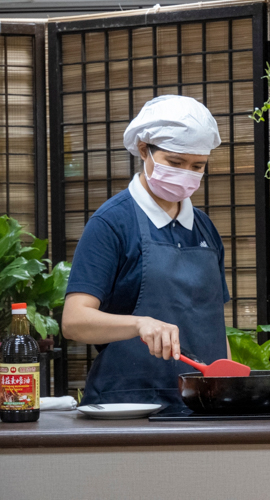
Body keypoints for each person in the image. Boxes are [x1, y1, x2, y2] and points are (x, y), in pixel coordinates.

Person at [62, 95, 230, 406]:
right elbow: (74, 321)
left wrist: (231, 386)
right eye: (175, 162)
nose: (186, 173)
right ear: (144, 150)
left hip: (205, 407)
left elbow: (214, 326)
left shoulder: (205, 228)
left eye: (197, 166)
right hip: (130, 407)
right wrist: (140, 324)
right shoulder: (111, 223)